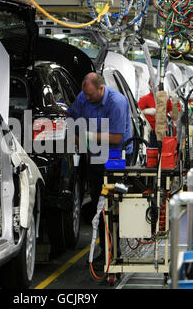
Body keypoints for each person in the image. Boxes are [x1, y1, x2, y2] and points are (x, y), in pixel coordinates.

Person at [67, 72, 133, 264]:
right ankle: (106, 251)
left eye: (90, 95)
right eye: (85, 95)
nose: (86, 99)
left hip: (116, 158)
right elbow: (72, 114)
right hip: (95, 156)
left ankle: (115, 251)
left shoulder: (117, 103)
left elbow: (116, 138)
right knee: (98, 204)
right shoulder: (84, 96)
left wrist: (84, 137)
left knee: (111, 204)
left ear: (101, 88)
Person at [138, 80, 180, 148]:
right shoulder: (144, 99)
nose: (154, 89)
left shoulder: (165, 99)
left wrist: (175, 103)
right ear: (149, 86)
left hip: (162, 133)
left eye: (156, 86)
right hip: (150, 133)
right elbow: (137, 115)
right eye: (152, 86)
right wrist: (145, 111)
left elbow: (174, 117)